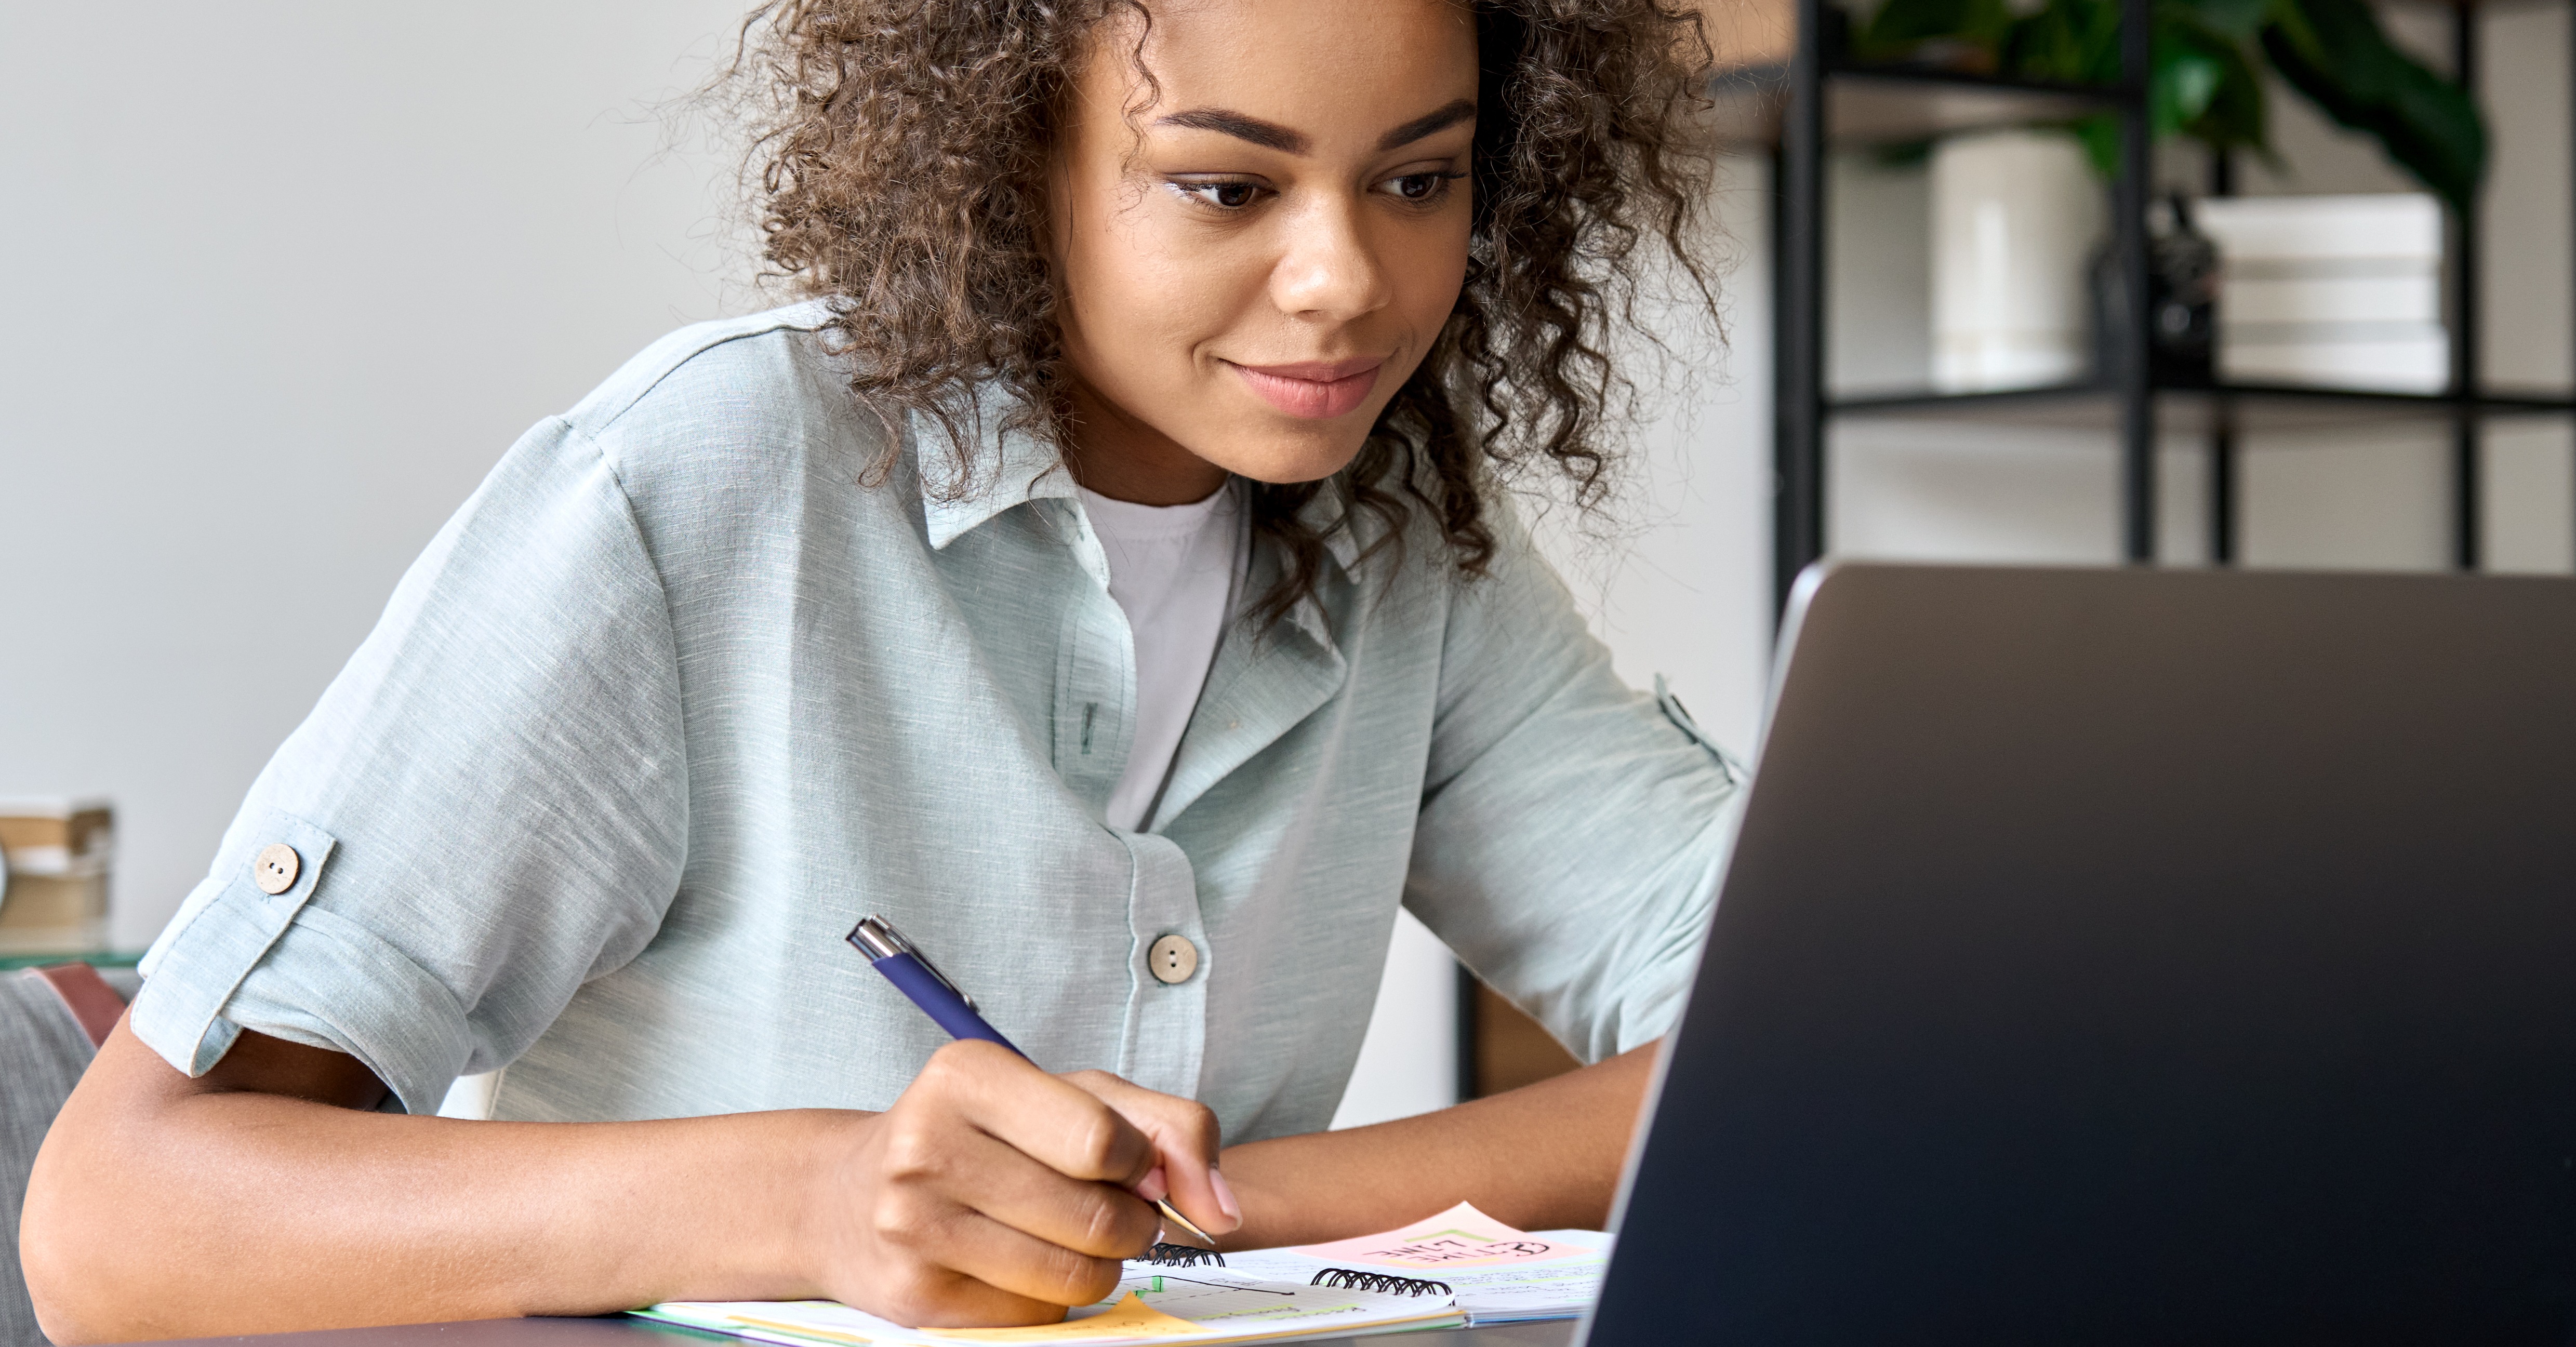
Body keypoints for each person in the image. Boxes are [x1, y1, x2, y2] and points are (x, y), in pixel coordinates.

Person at [25, 0, 1734, 1339]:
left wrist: (1223, 1209)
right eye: (1227, 183)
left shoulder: (1400, 535)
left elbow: (1775, 1029)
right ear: (1016, 158)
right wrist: (817, 1192)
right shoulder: (710, 479)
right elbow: (122, 1225)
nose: (1345, 278)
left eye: (1417, 178)